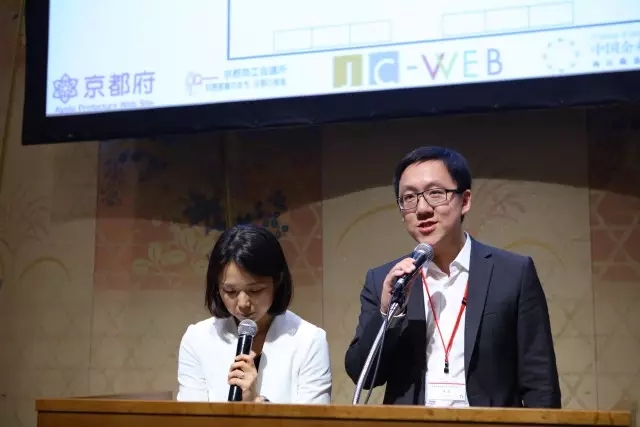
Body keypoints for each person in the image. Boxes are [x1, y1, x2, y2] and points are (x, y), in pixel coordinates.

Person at [344, 146, 561, 408]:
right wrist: (389, 313)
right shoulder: (386, 281)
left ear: (465, 200)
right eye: (409, 198)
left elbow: (540, 383)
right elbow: (363, 375)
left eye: (435, 193)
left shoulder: (513, 273)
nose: (422, 209)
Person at [177, 224, 332, 403]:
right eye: (230, 291)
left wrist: (256, 403)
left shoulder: (309, 340)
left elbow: (314, 417)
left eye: (255, 290)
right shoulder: (197, 339)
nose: (243, 303)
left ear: (277, 282)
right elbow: (192, 415)